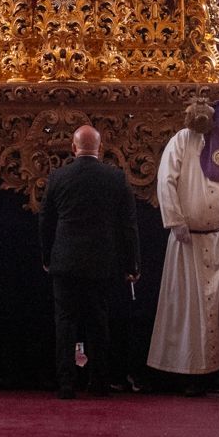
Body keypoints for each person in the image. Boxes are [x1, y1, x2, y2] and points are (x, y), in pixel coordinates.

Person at [146, 98, 219, 397]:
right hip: (189, 242)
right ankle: (193, 375)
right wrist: (175, 221)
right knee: (191, 311)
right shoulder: (182, 141)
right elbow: (166, 181)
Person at [39, 125, 139, 398]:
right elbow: (128, 225)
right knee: (98, 322)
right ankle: (99, 381)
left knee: (65, 323)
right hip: (102, 262)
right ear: (100, 148)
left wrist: (47, 257)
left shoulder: (58, 177)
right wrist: (132, 265)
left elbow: (46, 222)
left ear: (73, 148)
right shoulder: (115, 177)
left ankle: (66, 383)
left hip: (65, 261)